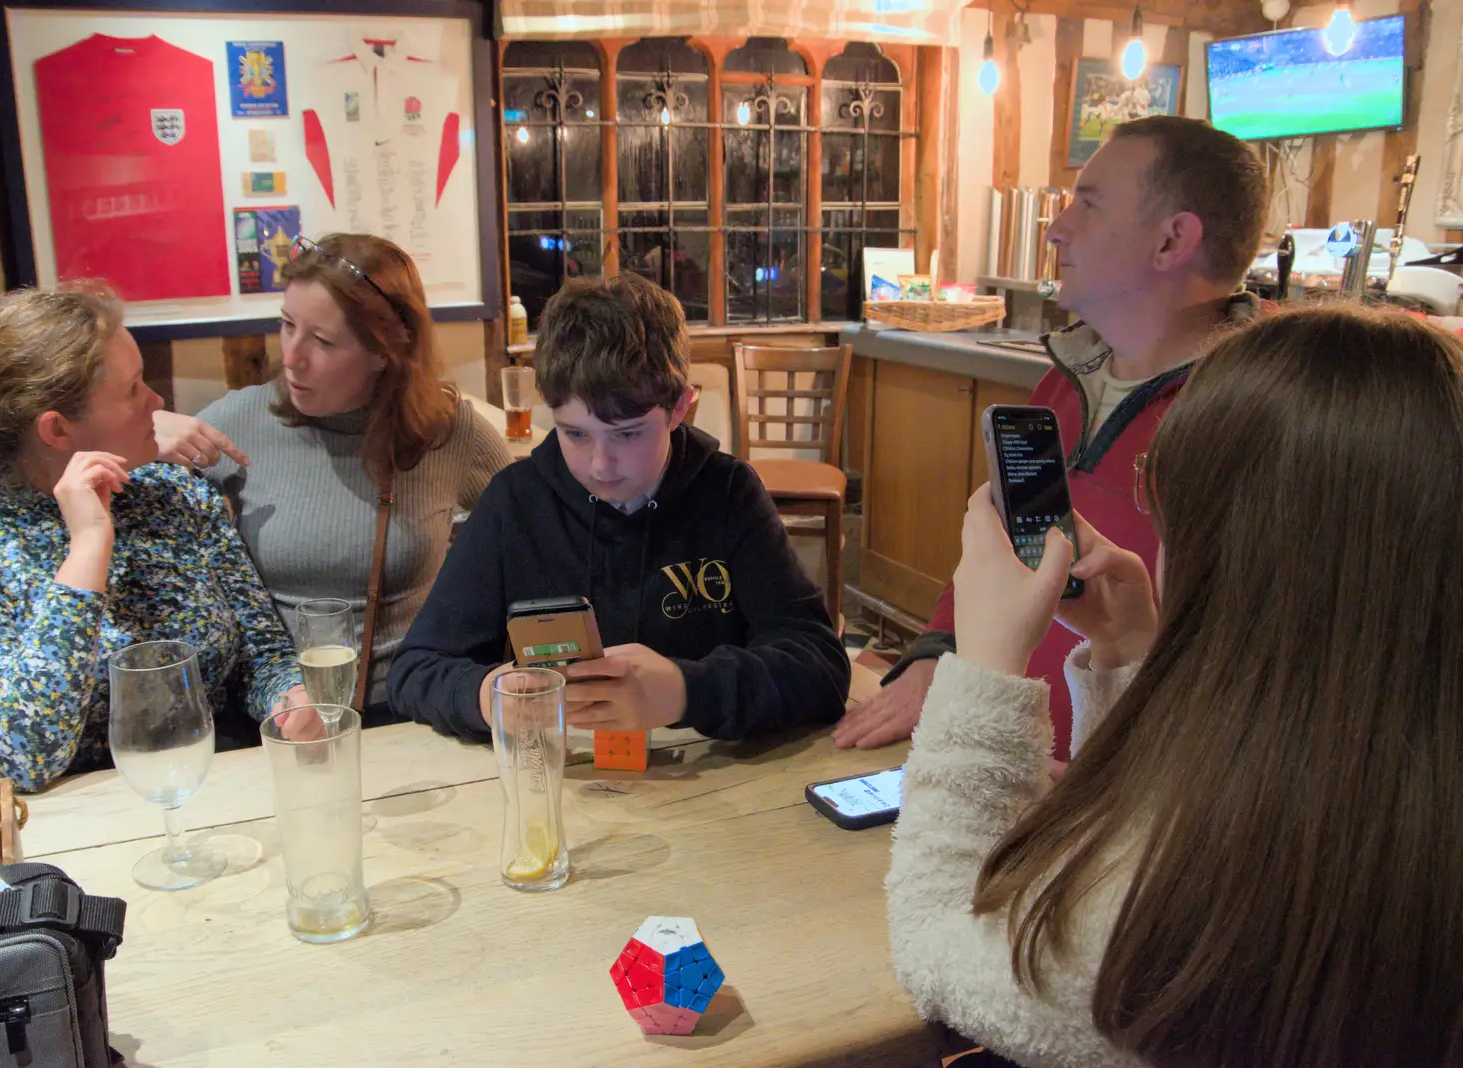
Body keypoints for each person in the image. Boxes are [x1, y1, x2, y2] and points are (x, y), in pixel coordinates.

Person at [886, 305, 1463, 1068]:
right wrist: (1127, 655)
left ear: (1239, 559)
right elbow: (1156, 831)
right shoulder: (1379, 807)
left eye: (1170, 513)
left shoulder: (1193, 918)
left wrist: (987, 666)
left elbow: (938, 940)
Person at [834, 115, 1268, 758]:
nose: (1056, 227)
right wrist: (938, 655)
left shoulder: (1260, 422)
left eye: (1087, 206)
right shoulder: (1066, 382)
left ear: (1173, 240)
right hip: (1002, 760)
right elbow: (1002, 550)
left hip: (1121, 799)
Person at [387, 272, 849, 741]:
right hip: (566, 783)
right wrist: (487, 694)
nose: (601, 464)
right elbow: (416, 669)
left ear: (679, 408)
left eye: (627, 434)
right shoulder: (515, 502)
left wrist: (686, 690)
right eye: (575, 434)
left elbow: (821, 665)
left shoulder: (728, 492)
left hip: (707, 782)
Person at [0, 286, 308, 793]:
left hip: (212, 790)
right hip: (70, 834)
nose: (157, 402)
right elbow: (18, 756)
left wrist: (289, 699)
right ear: (58, 430)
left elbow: (261, 654)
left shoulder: (173, 495)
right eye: (132, 390)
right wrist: (88, 547)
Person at [154, 234, 513, 722]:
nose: (293, 356)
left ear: (386, 351)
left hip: (407, 715)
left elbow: (531, 535)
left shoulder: (449, 432)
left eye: (322, 341)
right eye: (286, 326)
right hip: (280, 716)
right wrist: (137, 444)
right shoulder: (237, 422)